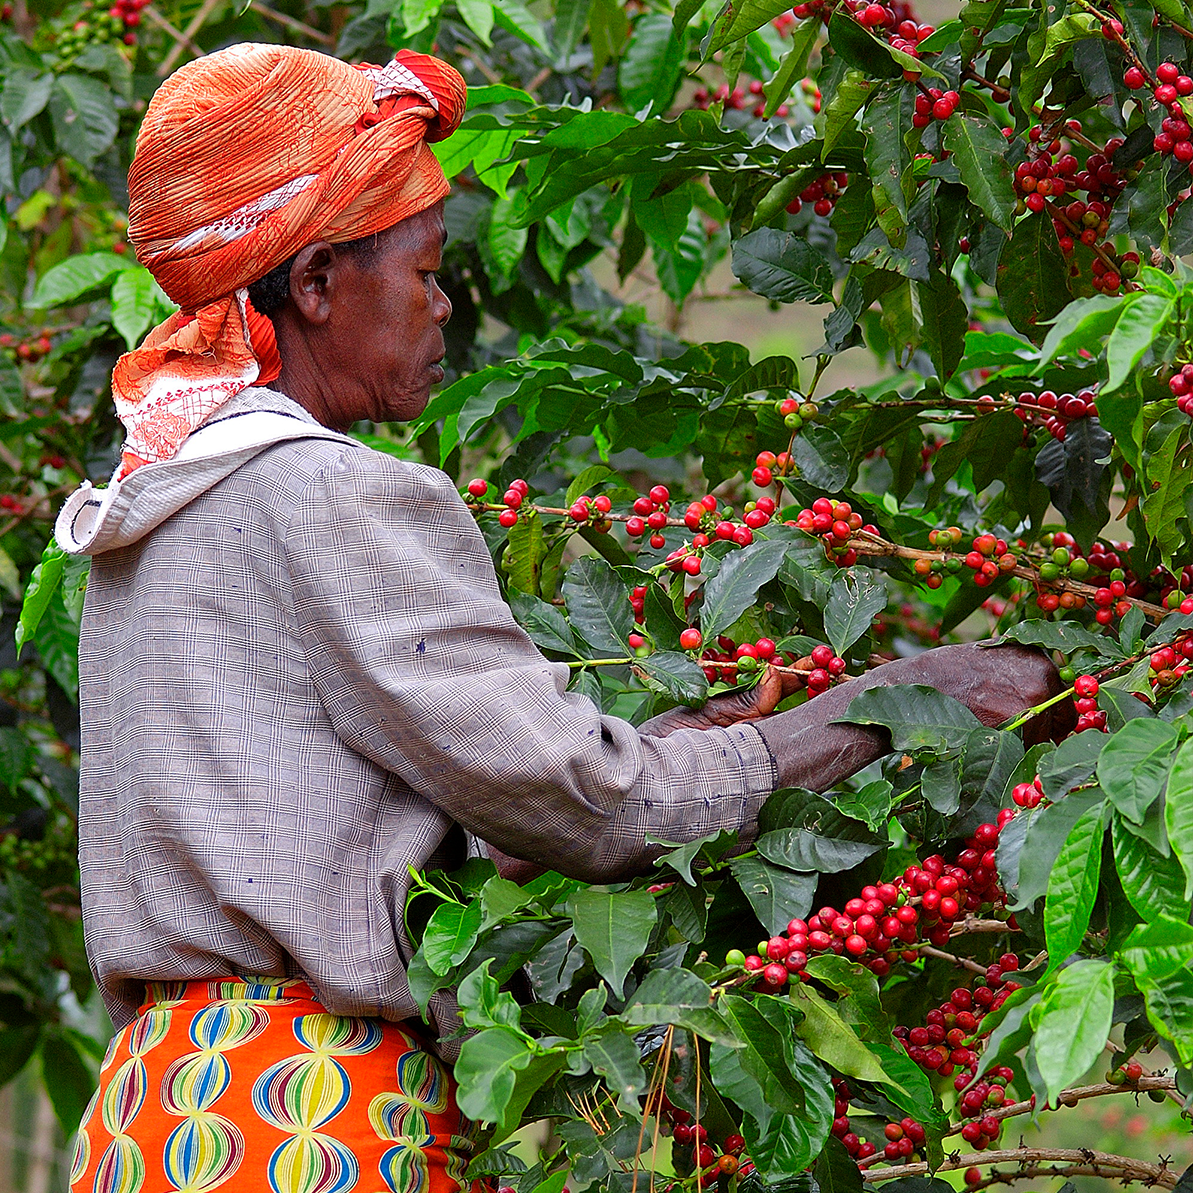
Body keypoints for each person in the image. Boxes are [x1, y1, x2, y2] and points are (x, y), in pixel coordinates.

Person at [56, 44, 1064, 1193]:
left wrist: (696, 738)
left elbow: (365, 816)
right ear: (319, 281)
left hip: (154, 1110)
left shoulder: (157, 505)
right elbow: (581, 804)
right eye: (426, 270)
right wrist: (890, 704)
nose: (442, 305)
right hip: (309, 1123)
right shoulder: (335, 494)